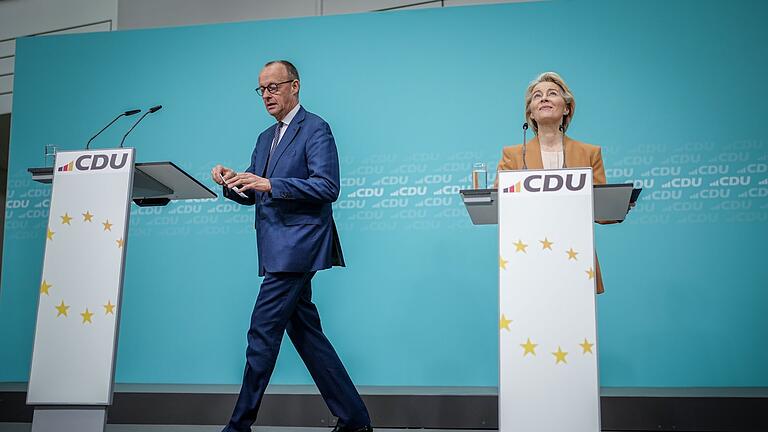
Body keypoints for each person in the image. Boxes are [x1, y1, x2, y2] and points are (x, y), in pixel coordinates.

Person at [211, 60, 373, 432]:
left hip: (299, 247)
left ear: (294, 86)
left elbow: (327, 187)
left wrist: (272, 184)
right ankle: (355, 419)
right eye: (261, 89)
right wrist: (230, 182)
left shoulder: (315, 128)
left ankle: (239, 426)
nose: (267, 95)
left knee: (261, 333)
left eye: (273, 87)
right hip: (274, 248)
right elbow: (253, 195)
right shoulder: (264, 138)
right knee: (307, 336)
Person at [495, 71, 608, 294]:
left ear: (566, 108)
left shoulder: (590, 153)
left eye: (552, 93)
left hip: (576, 258)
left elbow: (603, 213)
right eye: (537, 96)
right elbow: (499, 206)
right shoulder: (513, 155)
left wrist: (619, 204)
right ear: (531, 113)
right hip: (528, 256)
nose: (544, 98)